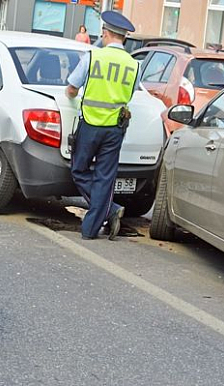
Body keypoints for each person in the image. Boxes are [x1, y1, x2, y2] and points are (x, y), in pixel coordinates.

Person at [65, 11, 139, 241]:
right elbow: (131, 94)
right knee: (105, 177)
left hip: (90, 123)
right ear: (124, 37)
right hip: (116, 128)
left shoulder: (93, 57)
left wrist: (73, 96)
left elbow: (71, 87)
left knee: (79, 170)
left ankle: (107, 212)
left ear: (105, 33)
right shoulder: (134, 64)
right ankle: (99, 220)